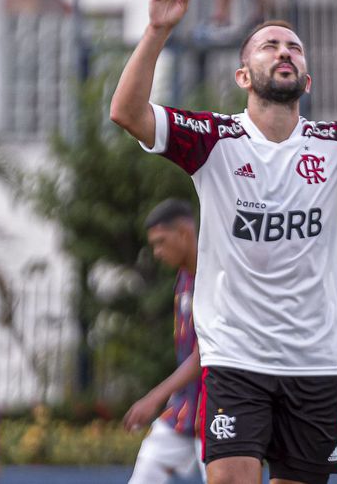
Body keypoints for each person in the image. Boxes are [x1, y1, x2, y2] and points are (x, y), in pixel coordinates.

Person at [110, 0, 337, 484]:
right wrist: (158, 30)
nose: (284, 51)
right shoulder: (212, 140)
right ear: (244, 74)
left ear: (307, 77)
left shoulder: (336, 145)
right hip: (234, 359)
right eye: (270, 45)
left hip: (312, 365)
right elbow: (128, 113)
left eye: (293, 46)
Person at [123, 199, 205, 484]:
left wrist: (154, 397)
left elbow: (206, 352)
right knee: (147, 471)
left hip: (219, 408)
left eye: (161, 242)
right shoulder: (183, 278)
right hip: (184, 410)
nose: (157, 252)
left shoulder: (215, 274)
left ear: (184, 232)